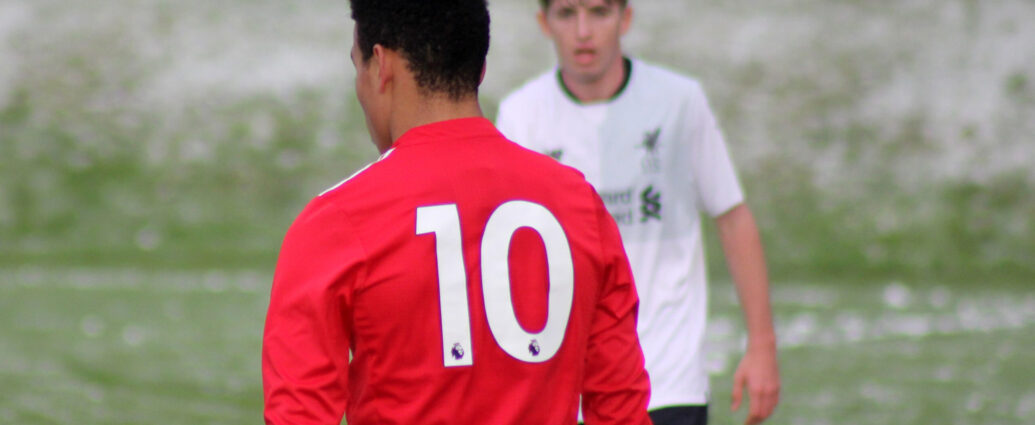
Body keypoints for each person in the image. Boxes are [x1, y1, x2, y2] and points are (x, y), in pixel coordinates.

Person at [261, 0, 652, 424]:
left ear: (380, 65)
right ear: (479, 69)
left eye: (357, 67)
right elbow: (621, 411)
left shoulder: (335, 222)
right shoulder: (579, 205)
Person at [495, 1, 781, 424]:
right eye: (566, 13)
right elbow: (507, 254)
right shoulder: (520, 117)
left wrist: (762, 346)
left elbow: (732, 216)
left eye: (599, 12)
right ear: (543, 23)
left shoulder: (679, 102)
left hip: (668, 379)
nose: (583, 30)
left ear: (626, 17)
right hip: (571, 389)